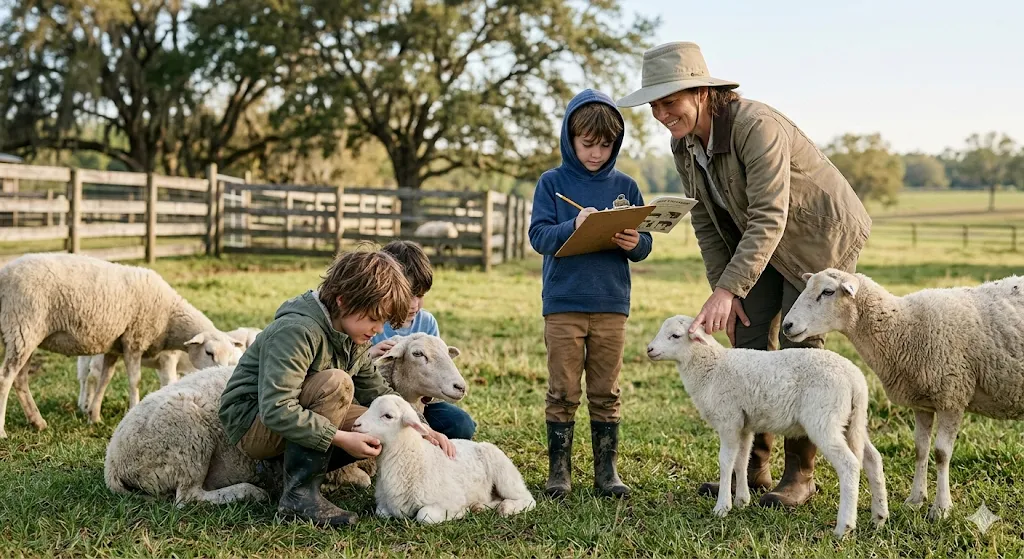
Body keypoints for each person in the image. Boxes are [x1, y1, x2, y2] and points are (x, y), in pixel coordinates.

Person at [617, 41, 872, 508]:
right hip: (760, 242)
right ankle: (751, 468)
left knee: (799, 340)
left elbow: (770, 217)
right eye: (654, 105)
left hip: (816, 236)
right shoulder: (683, 143)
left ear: (699, 92)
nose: (660, 114)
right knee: (746, 330)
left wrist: (732, 285)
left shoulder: (757, 127)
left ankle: (801, 475)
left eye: (668, 102)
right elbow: (705, 222)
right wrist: (723, 292)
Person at [218, 249, 456, 528]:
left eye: (383, 321)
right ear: (343, 301)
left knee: (382, 422)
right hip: (253, 423)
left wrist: (422, 427)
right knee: (337, 383)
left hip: (297, 412)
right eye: (373, 318)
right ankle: (299, 497)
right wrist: (341, 438)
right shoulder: (297, 330)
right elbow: (276, 409)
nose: (378, 329)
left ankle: (282, 473)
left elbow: (378, 391)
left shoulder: (351, 333)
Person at [529, 88, 653, 499]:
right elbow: (539, 236)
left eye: (605, 145)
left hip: (611, 305)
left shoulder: (626, 186)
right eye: (587, 144)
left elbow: (645, 244)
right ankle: (559, 474)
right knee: (563, 391)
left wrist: (634, 241)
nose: (596, 153)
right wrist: (574, 227)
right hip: (564, 304)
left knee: (607, 391)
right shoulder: (552, 182)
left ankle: (607, 474)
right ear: (569, 136)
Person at [366, 239, 477, 440]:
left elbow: (436, 372)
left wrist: (426, 395)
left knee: (461, 425)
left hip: (419, 405)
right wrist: (370, 354)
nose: (414, 305)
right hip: (374, 401)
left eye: (420, 295)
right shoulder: (369, 322)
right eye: (407, 295)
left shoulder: (426, 322)